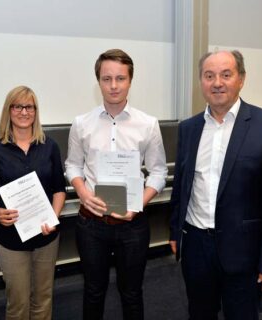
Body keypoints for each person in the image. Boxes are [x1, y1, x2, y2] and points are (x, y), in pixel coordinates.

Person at [169, 50, 262, 320]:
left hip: (244, 252)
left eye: (226, 75)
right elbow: (182, 186)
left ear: (242, 79)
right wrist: (175, 232)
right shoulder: (189, 128)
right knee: (200, 314)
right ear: (201, 81)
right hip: (196, 246)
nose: (217, 83)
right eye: (209, 75)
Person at [65, 49, 168, 319]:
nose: (113, 86)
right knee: (93, 291)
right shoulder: (81, 124)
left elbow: (158, 173)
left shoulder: (148, 124)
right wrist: (83, 193)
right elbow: (72, 165)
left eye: (120, 78)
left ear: (130, 81)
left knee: (132, 292)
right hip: (91, 223)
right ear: (98, 81)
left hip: (132, 224)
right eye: (107, 78)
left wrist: (138, 204)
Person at [0, 85, 66, 320]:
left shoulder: (50, 146)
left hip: (47, 236)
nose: (24, 112)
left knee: (43, 299)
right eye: (18, 106)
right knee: (18, 303)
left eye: (29, 107)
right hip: (11, 239)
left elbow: (59, 189)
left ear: (36, 112)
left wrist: (53, 218)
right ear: (9, 110)